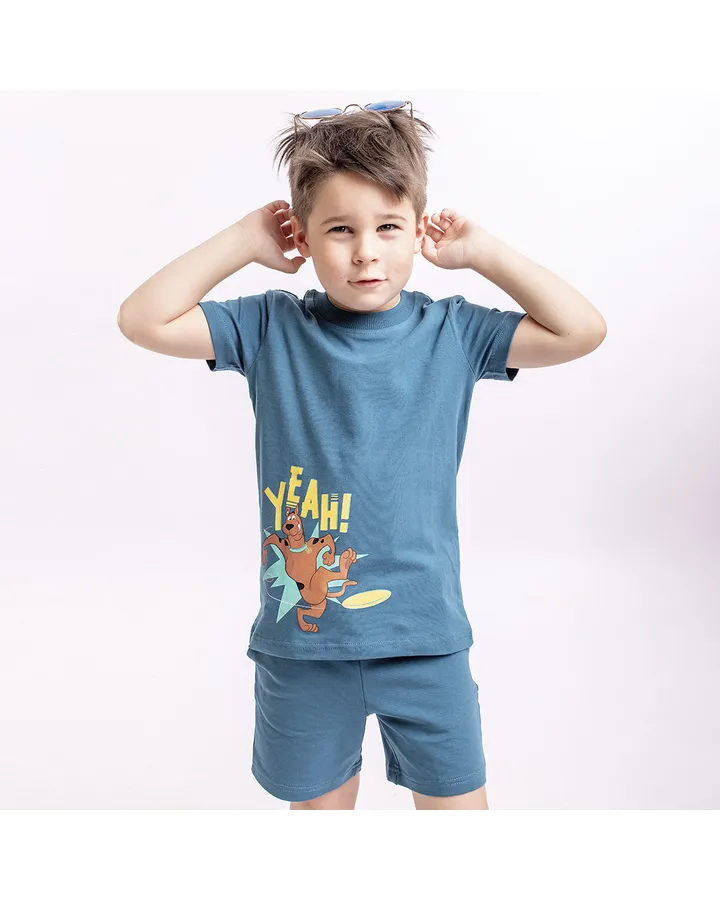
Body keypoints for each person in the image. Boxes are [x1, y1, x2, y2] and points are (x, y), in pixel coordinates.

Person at [117, 101, 607, 810]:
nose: (366, 252)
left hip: (425, 639)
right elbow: (142, 319)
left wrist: (483, 252)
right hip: (304, 644)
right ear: (303, 237)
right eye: (340, 229)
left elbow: (581, 330)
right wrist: (243, 240)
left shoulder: (453, 332)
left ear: (419, 229)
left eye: (388, 227)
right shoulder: (269, 326)